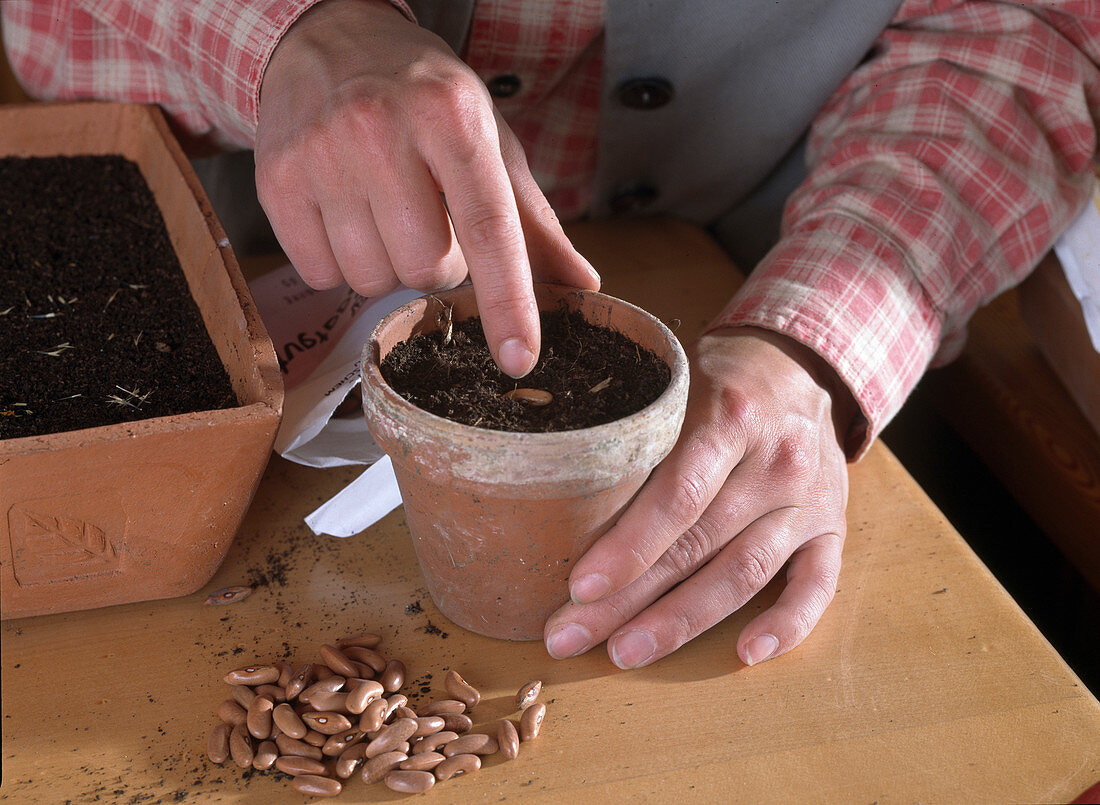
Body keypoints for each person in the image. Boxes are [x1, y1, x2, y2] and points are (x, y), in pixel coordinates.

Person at [5, 0, 1098, 670]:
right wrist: (296, 33)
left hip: (749, 263)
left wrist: (816, 341)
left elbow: (1027, 28)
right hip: (232, 271)